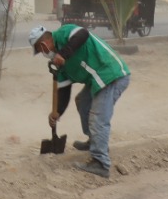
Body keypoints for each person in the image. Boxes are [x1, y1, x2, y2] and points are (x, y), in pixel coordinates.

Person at [29, 23, 131, 179]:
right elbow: (64, 91)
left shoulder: (63, 33)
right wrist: (57, 113)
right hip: (98, 80)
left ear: (43, 44)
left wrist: (63, 54)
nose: (43, 53)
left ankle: (101, 163)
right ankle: (94, 141)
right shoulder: (59, 64)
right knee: (83, 102)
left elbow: (82, 34)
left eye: (40, 49)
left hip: (111, 74)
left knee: (98, 118)